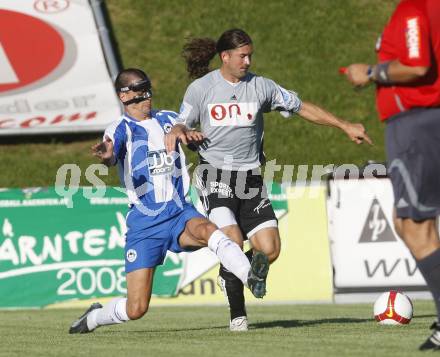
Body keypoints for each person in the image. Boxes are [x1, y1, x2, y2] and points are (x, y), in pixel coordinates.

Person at [165, 29, 372, 331]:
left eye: (250, 55)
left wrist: (344, 125)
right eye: (241, 56)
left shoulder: (262, 87)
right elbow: (181, 121)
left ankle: (228, 274)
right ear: (225, 57)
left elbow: (301, 107)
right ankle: (238, 317)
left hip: (250, 178)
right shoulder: (201, 88)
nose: (247, 61)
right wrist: (179, 132)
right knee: (233, 240)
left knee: (270, 249)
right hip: (214, 175)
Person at [68, 68, 269, 334]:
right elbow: (110, 151)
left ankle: (249, 278)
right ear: (124, 95)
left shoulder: (169, 119)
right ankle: (94, 318)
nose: (146, 96)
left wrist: (195, 138)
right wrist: (106, 155)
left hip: (179, 213)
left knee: (208, 230)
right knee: (136, 308)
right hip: (145, 224)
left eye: (148, 89)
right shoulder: (121, 128)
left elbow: (190, 134)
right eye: (139, 92)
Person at [344, 0, 440, 350]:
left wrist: (370, 73)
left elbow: (416, 65)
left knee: (415, 225)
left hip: (415, 124)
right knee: (408, 223)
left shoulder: (415, 9)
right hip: (419, 124)